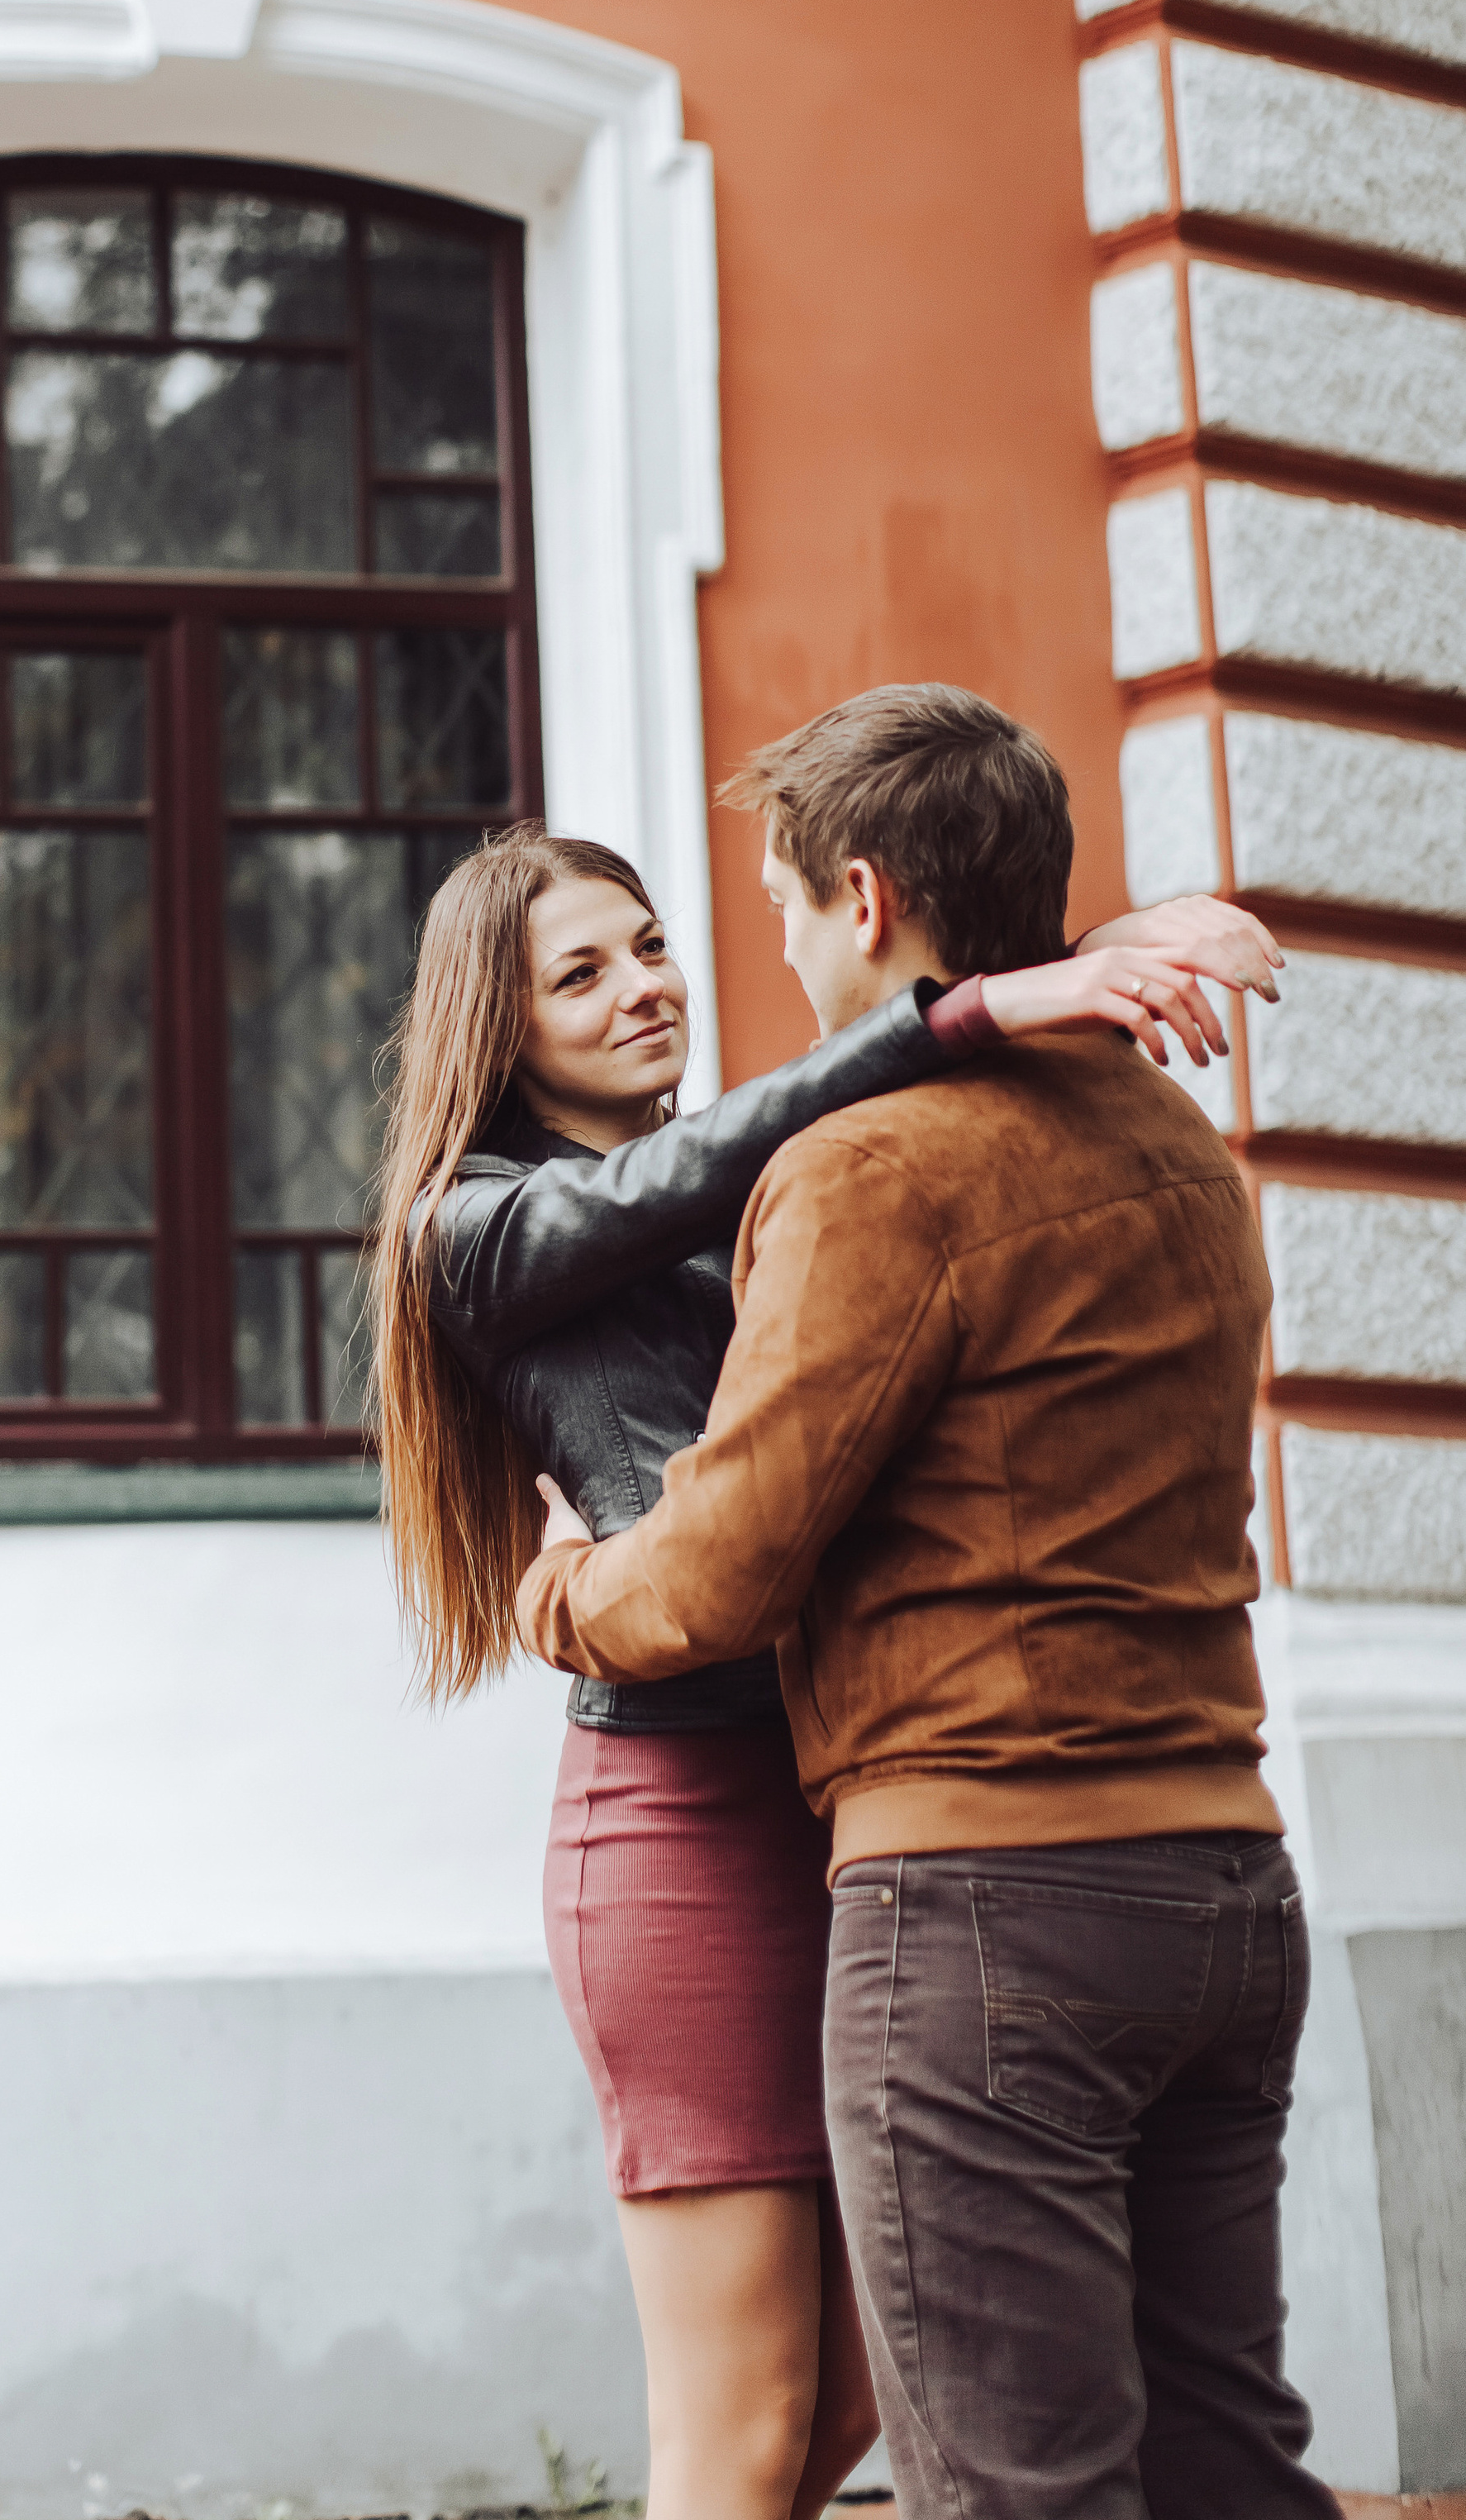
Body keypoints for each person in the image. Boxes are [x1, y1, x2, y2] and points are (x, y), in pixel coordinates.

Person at [374, 807, 1282, 2520]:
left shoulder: (758, 1189)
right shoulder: (475, 1226)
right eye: (578, 974)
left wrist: (1062, 970)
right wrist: (975, 1006)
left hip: (864, 1820)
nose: (639, 985)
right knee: (736, 2427)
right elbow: (671, 1177)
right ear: (498, 1033)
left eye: (646, 944)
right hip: (683, 1833)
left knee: (861, 2400)